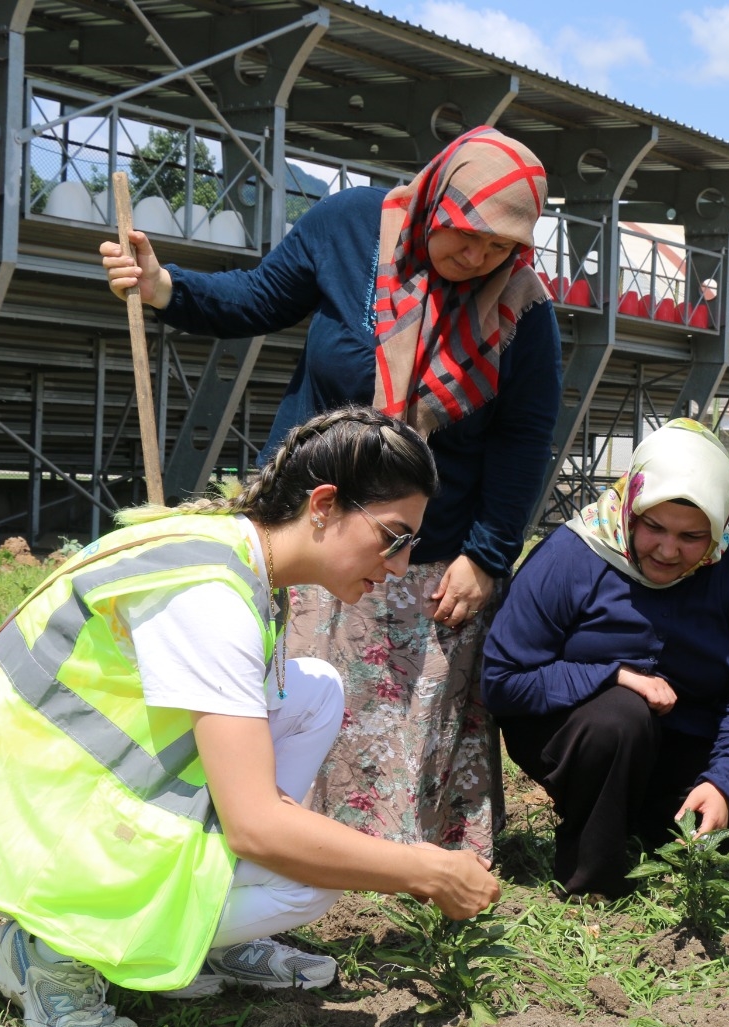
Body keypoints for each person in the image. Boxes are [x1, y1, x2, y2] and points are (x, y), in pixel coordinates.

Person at [0, 408, 500, 1027]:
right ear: (324, 504)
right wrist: (425, 870)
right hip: (10, 818)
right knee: (308, 882)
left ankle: (204, 937)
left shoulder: (233, 553)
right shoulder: (210, 598)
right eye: (393, 537)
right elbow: (258, 827)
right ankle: (45, 946)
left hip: (38, 778)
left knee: (315, 690)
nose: (402, 565)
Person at [101, 126, 561, 855]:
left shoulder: (523, 310)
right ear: (435, 199)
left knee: (406, 713)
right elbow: (254, 299)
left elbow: (524, 440)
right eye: (463, 235)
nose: (475, 258)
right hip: (311, 528)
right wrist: (165, 287)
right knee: (278, 694)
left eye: (499, 247)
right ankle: (268, 837)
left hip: (428, 552)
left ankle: (401, 855)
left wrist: (489, 554)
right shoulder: (349, 228)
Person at [481, 418, 729, 898]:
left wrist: (724, 783)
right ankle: (593, 875)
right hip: (579, 736)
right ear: (629, 504)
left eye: (692, 536)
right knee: (621, 717)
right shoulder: (572, 556)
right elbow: (502, 681)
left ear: (719, 527)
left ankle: (652, 836)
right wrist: (612, 675)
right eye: (653, 526)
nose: (668, 550)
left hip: (678, 743)